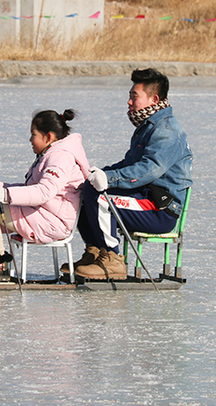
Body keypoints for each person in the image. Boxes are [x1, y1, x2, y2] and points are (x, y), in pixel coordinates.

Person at [69, 68, 193, 280]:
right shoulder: (148, 127)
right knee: (85, 191)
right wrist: (99, 173)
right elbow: (129, 164)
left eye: (134, 97)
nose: (129, 102)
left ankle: (112, 260)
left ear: (154, 99)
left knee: (102, 199)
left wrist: (109, 179)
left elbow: (148, 170)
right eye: (130, 96)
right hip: (143, 199)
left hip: (160, 209)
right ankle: (96, 252)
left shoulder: (166, 131)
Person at [0, 109, 90, 281]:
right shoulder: (49, 154)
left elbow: (44, 192)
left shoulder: (60, 158)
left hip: (53, 222)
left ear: (49, 137)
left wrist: (6, 194)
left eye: (33, 135)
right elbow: (31, 188)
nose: (30, 140)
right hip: (41, 213)